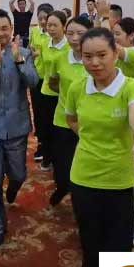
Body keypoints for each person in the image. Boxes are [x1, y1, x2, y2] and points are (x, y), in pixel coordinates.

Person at [65, 27, 134, 267]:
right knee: (92, 251)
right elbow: (71, 118)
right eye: (88, 56)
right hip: (84, 180)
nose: (95, 62)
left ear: (116, 53)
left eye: (102, 55)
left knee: (118, 250)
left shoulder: (130, 87)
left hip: (119, 182)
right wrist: (90, 140)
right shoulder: (77, 87)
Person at [0, 10, 39, 247]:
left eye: (4, 28)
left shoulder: (23, 53)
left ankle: (13, 188)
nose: (0, 33)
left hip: (17, 125)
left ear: (11, 29)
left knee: (19, 174)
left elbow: (33, 81)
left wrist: (19, 61)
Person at [47, 16, 92, 206]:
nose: (74, 38)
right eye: (70, 33)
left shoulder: (95, 60)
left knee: (85, 165)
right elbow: (53, 83)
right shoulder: (59, 58)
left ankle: (79, 200)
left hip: (89, 122)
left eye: (80, 33)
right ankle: (62, 187)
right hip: (63, 120)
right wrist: (68, 98)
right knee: (62, 164)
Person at [37, 10, 69, 171]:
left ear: (64, 26)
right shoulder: (45, 44)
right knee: (46, 127)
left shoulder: (70, 46)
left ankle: (59, 160)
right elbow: (42, 68)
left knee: (61, 129)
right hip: (46, 91)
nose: (51, 28)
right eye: (49, 25)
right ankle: (47, 157)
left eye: (55, 25)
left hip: (63, 93)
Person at [29, 3, 53, 162]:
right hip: (37, 78)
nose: (43, 22)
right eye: (40, 18)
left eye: (46, 19)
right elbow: (31, 50)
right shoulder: (34, 31)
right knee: (38, 112)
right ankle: (41, 144)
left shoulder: (55, 33)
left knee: (49, 113)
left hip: (51, 79)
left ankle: (51, 146)